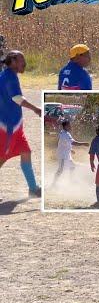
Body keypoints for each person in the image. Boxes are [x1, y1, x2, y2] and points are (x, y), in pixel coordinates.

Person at [0, 51, 41, 198]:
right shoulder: (9, 77)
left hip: (15, 126)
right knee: (2, 158)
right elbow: (17, 98)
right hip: (7, 127)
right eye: (21, 60)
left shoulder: (9, 75)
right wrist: (36, 109)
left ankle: (33, 188)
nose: (24, 63)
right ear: (12, 61)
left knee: (26, 152)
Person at [51, 119, 89, 187]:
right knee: (60, 170)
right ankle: (53, 183)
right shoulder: (64, 134)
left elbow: (63, 143)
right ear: (65, 126)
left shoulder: (65, 133)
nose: (70, 126)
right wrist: (84, 143)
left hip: (66, 154)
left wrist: (70, 149)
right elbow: (74, 142)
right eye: (69, 125)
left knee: (73, 167)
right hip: (62, 155)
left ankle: (71, 180)